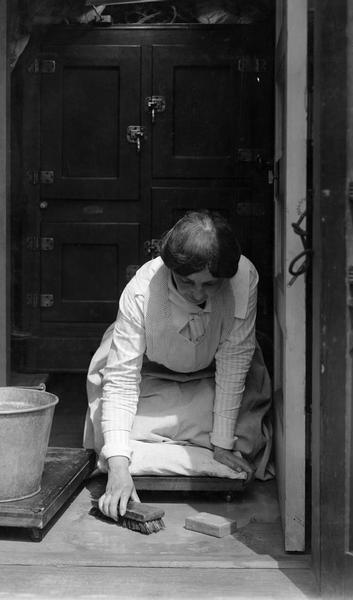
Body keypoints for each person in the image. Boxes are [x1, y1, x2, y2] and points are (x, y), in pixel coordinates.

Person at [83, 210, 272, 522]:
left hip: (212, 376)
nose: (198, 293)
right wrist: (118, 467)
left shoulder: (243, 278)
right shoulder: (141, 290)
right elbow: (122, 379)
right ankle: (146, 449)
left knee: (241, 437)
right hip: (149, 375)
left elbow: (234, 360)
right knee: (114, 441)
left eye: (211, 284)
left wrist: (223, 442)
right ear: (170, 268)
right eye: (186, 282)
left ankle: (185, 441)